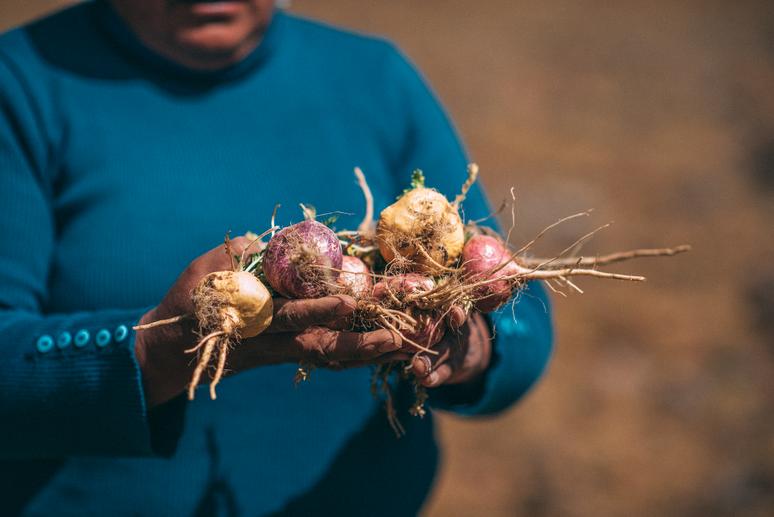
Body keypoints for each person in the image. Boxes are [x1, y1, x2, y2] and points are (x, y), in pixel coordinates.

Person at [0, 0, 554, 515]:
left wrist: (469, 341)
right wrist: (155, 349)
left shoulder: (375, 77)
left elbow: (521, 316)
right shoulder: (20, 81)